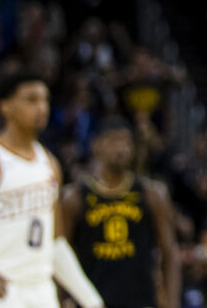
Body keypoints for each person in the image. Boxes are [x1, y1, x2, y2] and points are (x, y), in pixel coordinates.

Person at [0, 71, 106, 308]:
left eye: (45, 100)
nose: (42, 107)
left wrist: (91, 300)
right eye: (31, 99)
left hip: (40, 290)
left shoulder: (50, 163)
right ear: (6, 106)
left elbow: (55, 244)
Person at [62, 116, 181, 308]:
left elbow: (169, 251)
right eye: (114, 141)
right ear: (96, 146)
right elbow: (61, 255)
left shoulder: (152, 194)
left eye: (126, 142)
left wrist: (173, 302)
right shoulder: (74, 198)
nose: (121, 148)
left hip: (140, 301)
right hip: (91, 301)